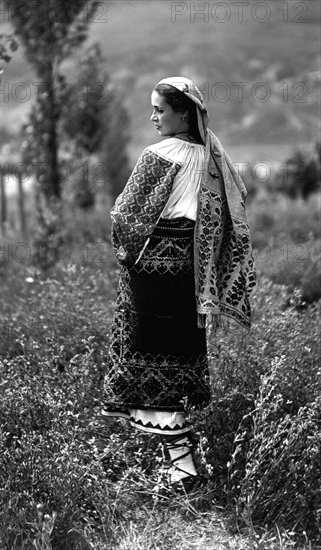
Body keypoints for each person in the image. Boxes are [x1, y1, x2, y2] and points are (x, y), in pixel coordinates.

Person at [101, 76, 257, 489]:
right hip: (189, 274)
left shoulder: (159, 155)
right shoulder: (212, 158)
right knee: (178, 362)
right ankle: (183, 464)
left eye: (160, 110)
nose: (153, 117)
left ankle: (184, 470)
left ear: (183, 113)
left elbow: (124, 217)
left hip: (153, 273)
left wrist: (127, 254)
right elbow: (227, 223)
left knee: (152, 364)